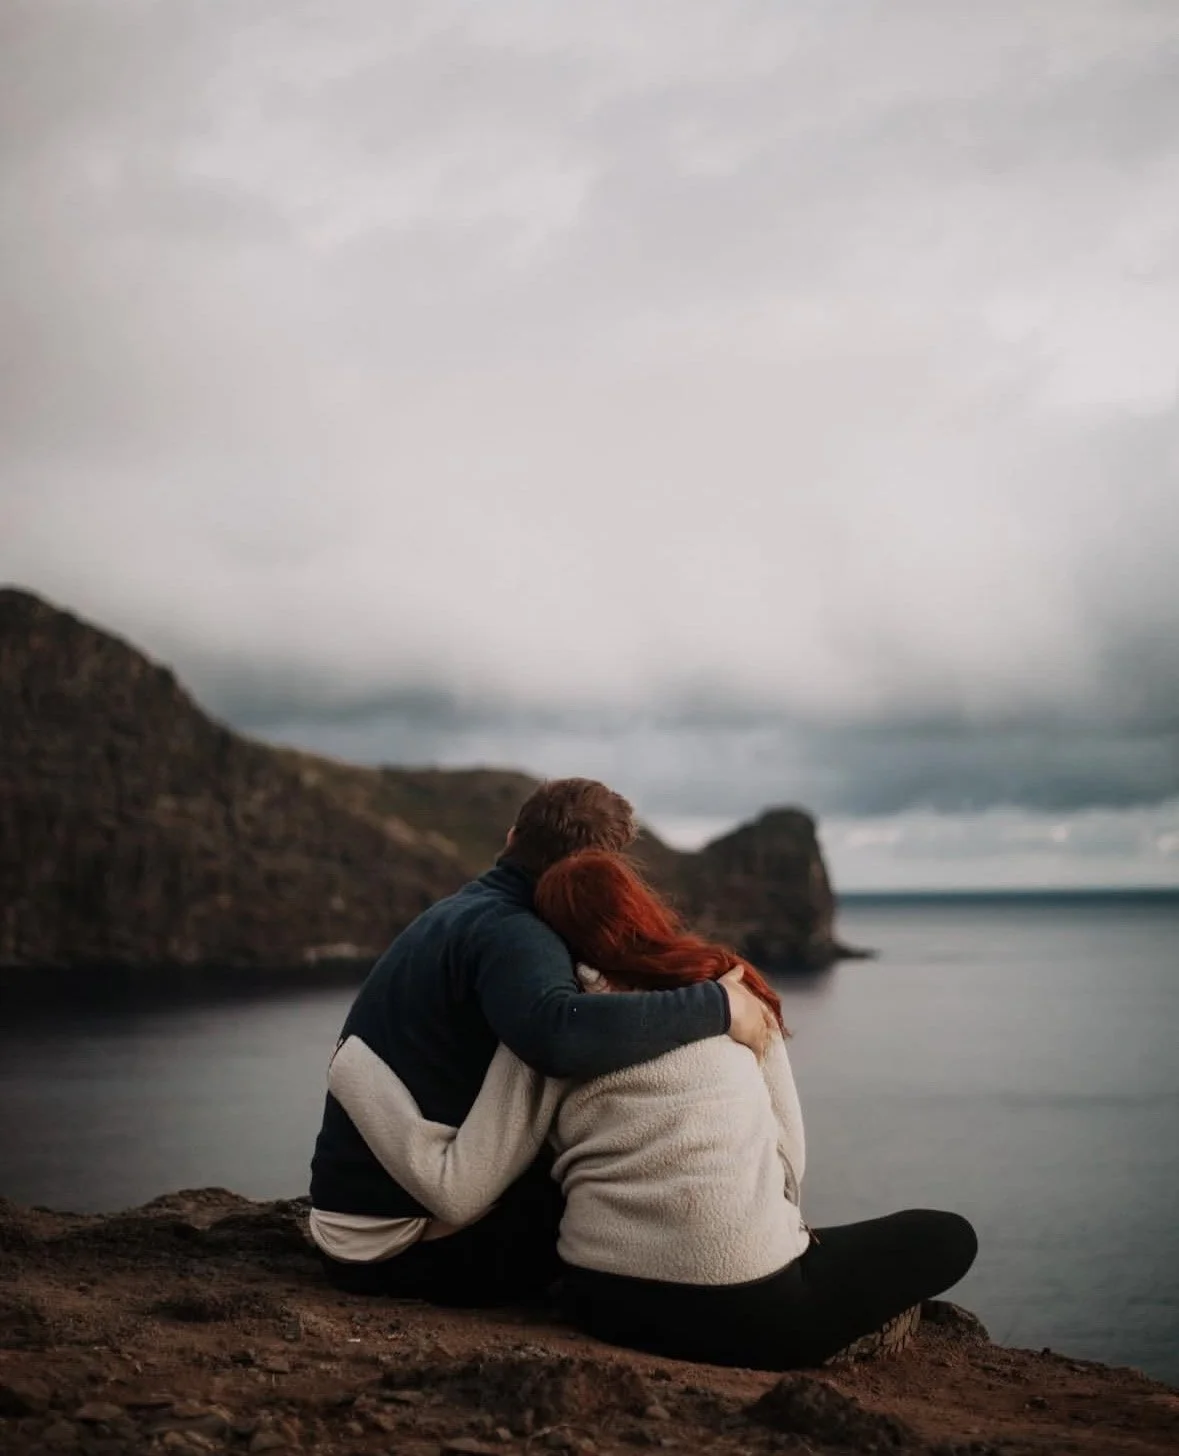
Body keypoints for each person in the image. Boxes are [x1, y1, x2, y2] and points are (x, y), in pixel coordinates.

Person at [328, 849, 978, 1370]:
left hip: (602, 1305)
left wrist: (359, 1076)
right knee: (947, 1234)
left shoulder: (550, 1034)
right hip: (759, 1319)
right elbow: (788, 1170)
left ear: (548, 935)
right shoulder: (732, 990)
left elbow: (458, 1189)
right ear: (645, 909)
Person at [308, 778, 774, 1307]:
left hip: (354, 1225)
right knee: (622, 1206)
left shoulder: (464, 912)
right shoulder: (516, 933)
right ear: (602, 873)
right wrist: (718, 1007)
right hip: (400, 1251)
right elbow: (559, 1034)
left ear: (512, 836)